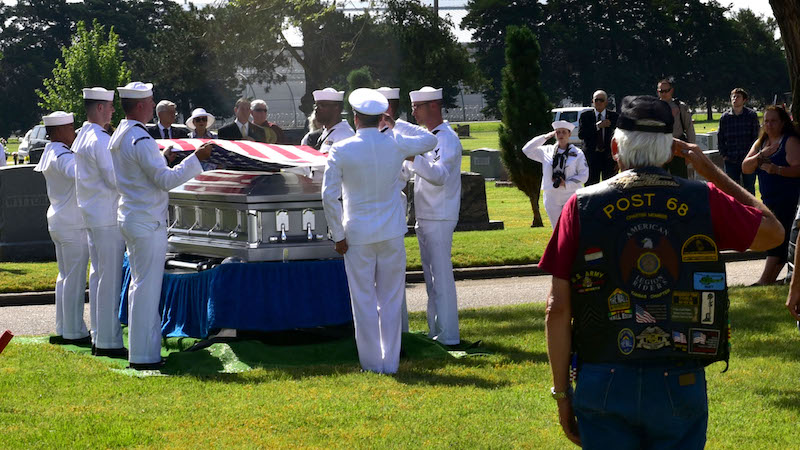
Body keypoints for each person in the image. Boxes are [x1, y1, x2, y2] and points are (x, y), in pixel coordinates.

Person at [541, 95, 783, 448]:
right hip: (679, 374)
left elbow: (557, 309)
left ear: (614, 148)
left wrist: (562, 394)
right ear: (671, 152)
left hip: (603, 373)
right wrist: (712, 173)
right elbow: (774, 232)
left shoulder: (580, 206)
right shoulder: (703, 198)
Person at [322, 88, 437, 373]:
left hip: (356, 235)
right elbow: (430, 139)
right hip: (391, 232)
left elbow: (328, 196)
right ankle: (391, 362)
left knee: (363, 300)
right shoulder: (395, 142)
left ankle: (372, 363)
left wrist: (338, 234)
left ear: (355, 117)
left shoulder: (342, 149)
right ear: (380, 117)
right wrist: (396, 125)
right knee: (391, 299)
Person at [109, 81, 212, 370]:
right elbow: (165, 181)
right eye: (151, 101)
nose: (153, 106)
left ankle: (142, 351)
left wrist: (164, 159)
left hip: (132, 215)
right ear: (142, 105)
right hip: (146, 219)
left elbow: (142, 172)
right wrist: (195, 159)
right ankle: (144, 356)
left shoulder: (121, 133)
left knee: (139, 286)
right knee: (147, 289)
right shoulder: (140, 138)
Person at [393, 86, 462, 346]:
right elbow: (411, 135)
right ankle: (437, 331)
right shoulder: (430, 136)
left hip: (440, 215)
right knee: (432, 280)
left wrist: (413, 157)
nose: (413, 112)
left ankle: (449, 335)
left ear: (433, 106)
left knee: (441, 278)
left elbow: (439, 176)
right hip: (426, 214)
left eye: (417, 107)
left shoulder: (446, 138)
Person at [72, 87, 126, 358]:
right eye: (110, 106)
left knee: (98, 277)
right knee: (109, 279)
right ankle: (108, 340)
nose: (113, 110)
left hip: (94, 215)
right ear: (101, 108)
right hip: (106, 215)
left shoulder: (84, 135)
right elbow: (114, 178)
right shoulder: (99, 139)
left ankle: (99, 335)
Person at [34, 111, 91, 345]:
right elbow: (78, 173)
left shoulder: (51, 151)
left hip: (60, 220)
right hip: (72, 223)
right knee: (74, 279)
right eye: (70, 128)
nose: (73, 132)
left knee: (65, 277)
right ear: (58, 131)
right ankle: (74, 331)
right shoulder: (62, 155)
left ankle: (64, 326)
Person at [742, 105, 800, 285]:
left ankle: (764, 280)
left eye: (773, 121)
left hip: (788, 199)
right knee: (777, 238)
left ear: (783, 122)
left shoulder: (789, 141)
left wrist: (778, 170)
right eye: (766, 121)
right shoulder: (761, 143)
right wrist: (761, 155)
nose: (769, 125)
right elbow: (746, 167)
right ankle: (771, 279)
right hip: (768, 201)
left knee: (778, 238)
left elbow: (798, 168)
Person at [378, 86, 412, 333]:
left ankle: (400, 330)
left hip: (391, 207)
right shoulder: (371, 132)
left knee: (393, 273)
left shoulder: (403, 132)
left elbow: (406, 172)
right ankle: (383, 330)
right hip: (373, 209)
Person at [522, 120, 589, 228]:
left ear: (569, 134)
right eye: (558, 132)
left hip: (570, 193)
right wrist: (545, 137)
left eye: (564, 132)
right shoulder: (547, 150)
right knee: (557, 228)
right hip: (551, 195)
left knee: (571, 227)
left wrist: (566, 183)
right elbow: (527, 150)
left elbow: (584, 175)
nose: (561, 135)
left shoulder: (577, 153)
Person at [718, 88, 760, 195]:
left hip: (748, 158)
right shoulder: (725, 117)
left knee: (749, 189)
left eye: (738, 97)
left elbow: (756, 137)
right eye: (733, 96)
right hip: (730, 159)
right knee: (731, 190)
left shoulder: (751, 115)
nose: (735, 99)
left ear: (744, 100)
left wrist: (753, 154)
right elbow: (720, 137)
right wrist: (724, 155)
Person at [657, 78, 695, 178]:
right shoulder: (653, 107)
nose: (664, 93)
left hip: (678, 147)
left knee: (680, 180)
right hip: (660, 148)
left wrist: (690, 151)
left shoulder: (681, 106)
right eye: (661, 91)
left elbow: (689, 129)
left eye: (666, 91)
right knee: (659, 180)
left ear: (672, 90)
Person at [578, 90, 618, 185]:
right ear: (593, 101)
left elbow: (619, 138)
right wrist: (597, 126)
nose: (599, 102)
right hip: (591, 157)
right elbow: (581, 135)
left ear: (606, 102)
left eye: (601, 100)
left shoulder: (614, 116)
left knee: (610, 186)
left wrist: (618, 159)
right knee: (590, 187)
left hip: (608, 158)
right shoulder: (585, 116)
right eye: (596, 100)